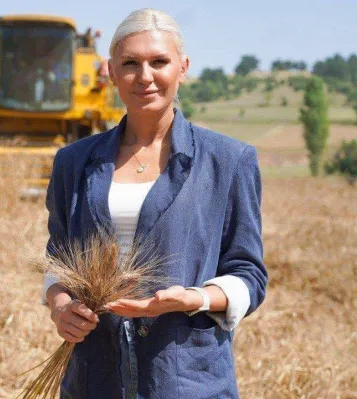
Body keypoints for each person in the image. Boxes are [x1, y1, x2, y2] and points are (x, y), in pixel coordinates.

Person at [42, 8, 268, 399]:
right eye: (130, 63)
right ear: (111, 72)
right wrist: (61, 305)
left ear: (182, 67)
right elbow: (57, 261)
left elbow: (249, 274)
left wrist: (194, 298)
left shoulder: (229, 161)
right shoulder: (73, 162)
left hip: (185, 380)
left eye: (158, 62)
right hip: (93, 379)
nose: (144, 76)